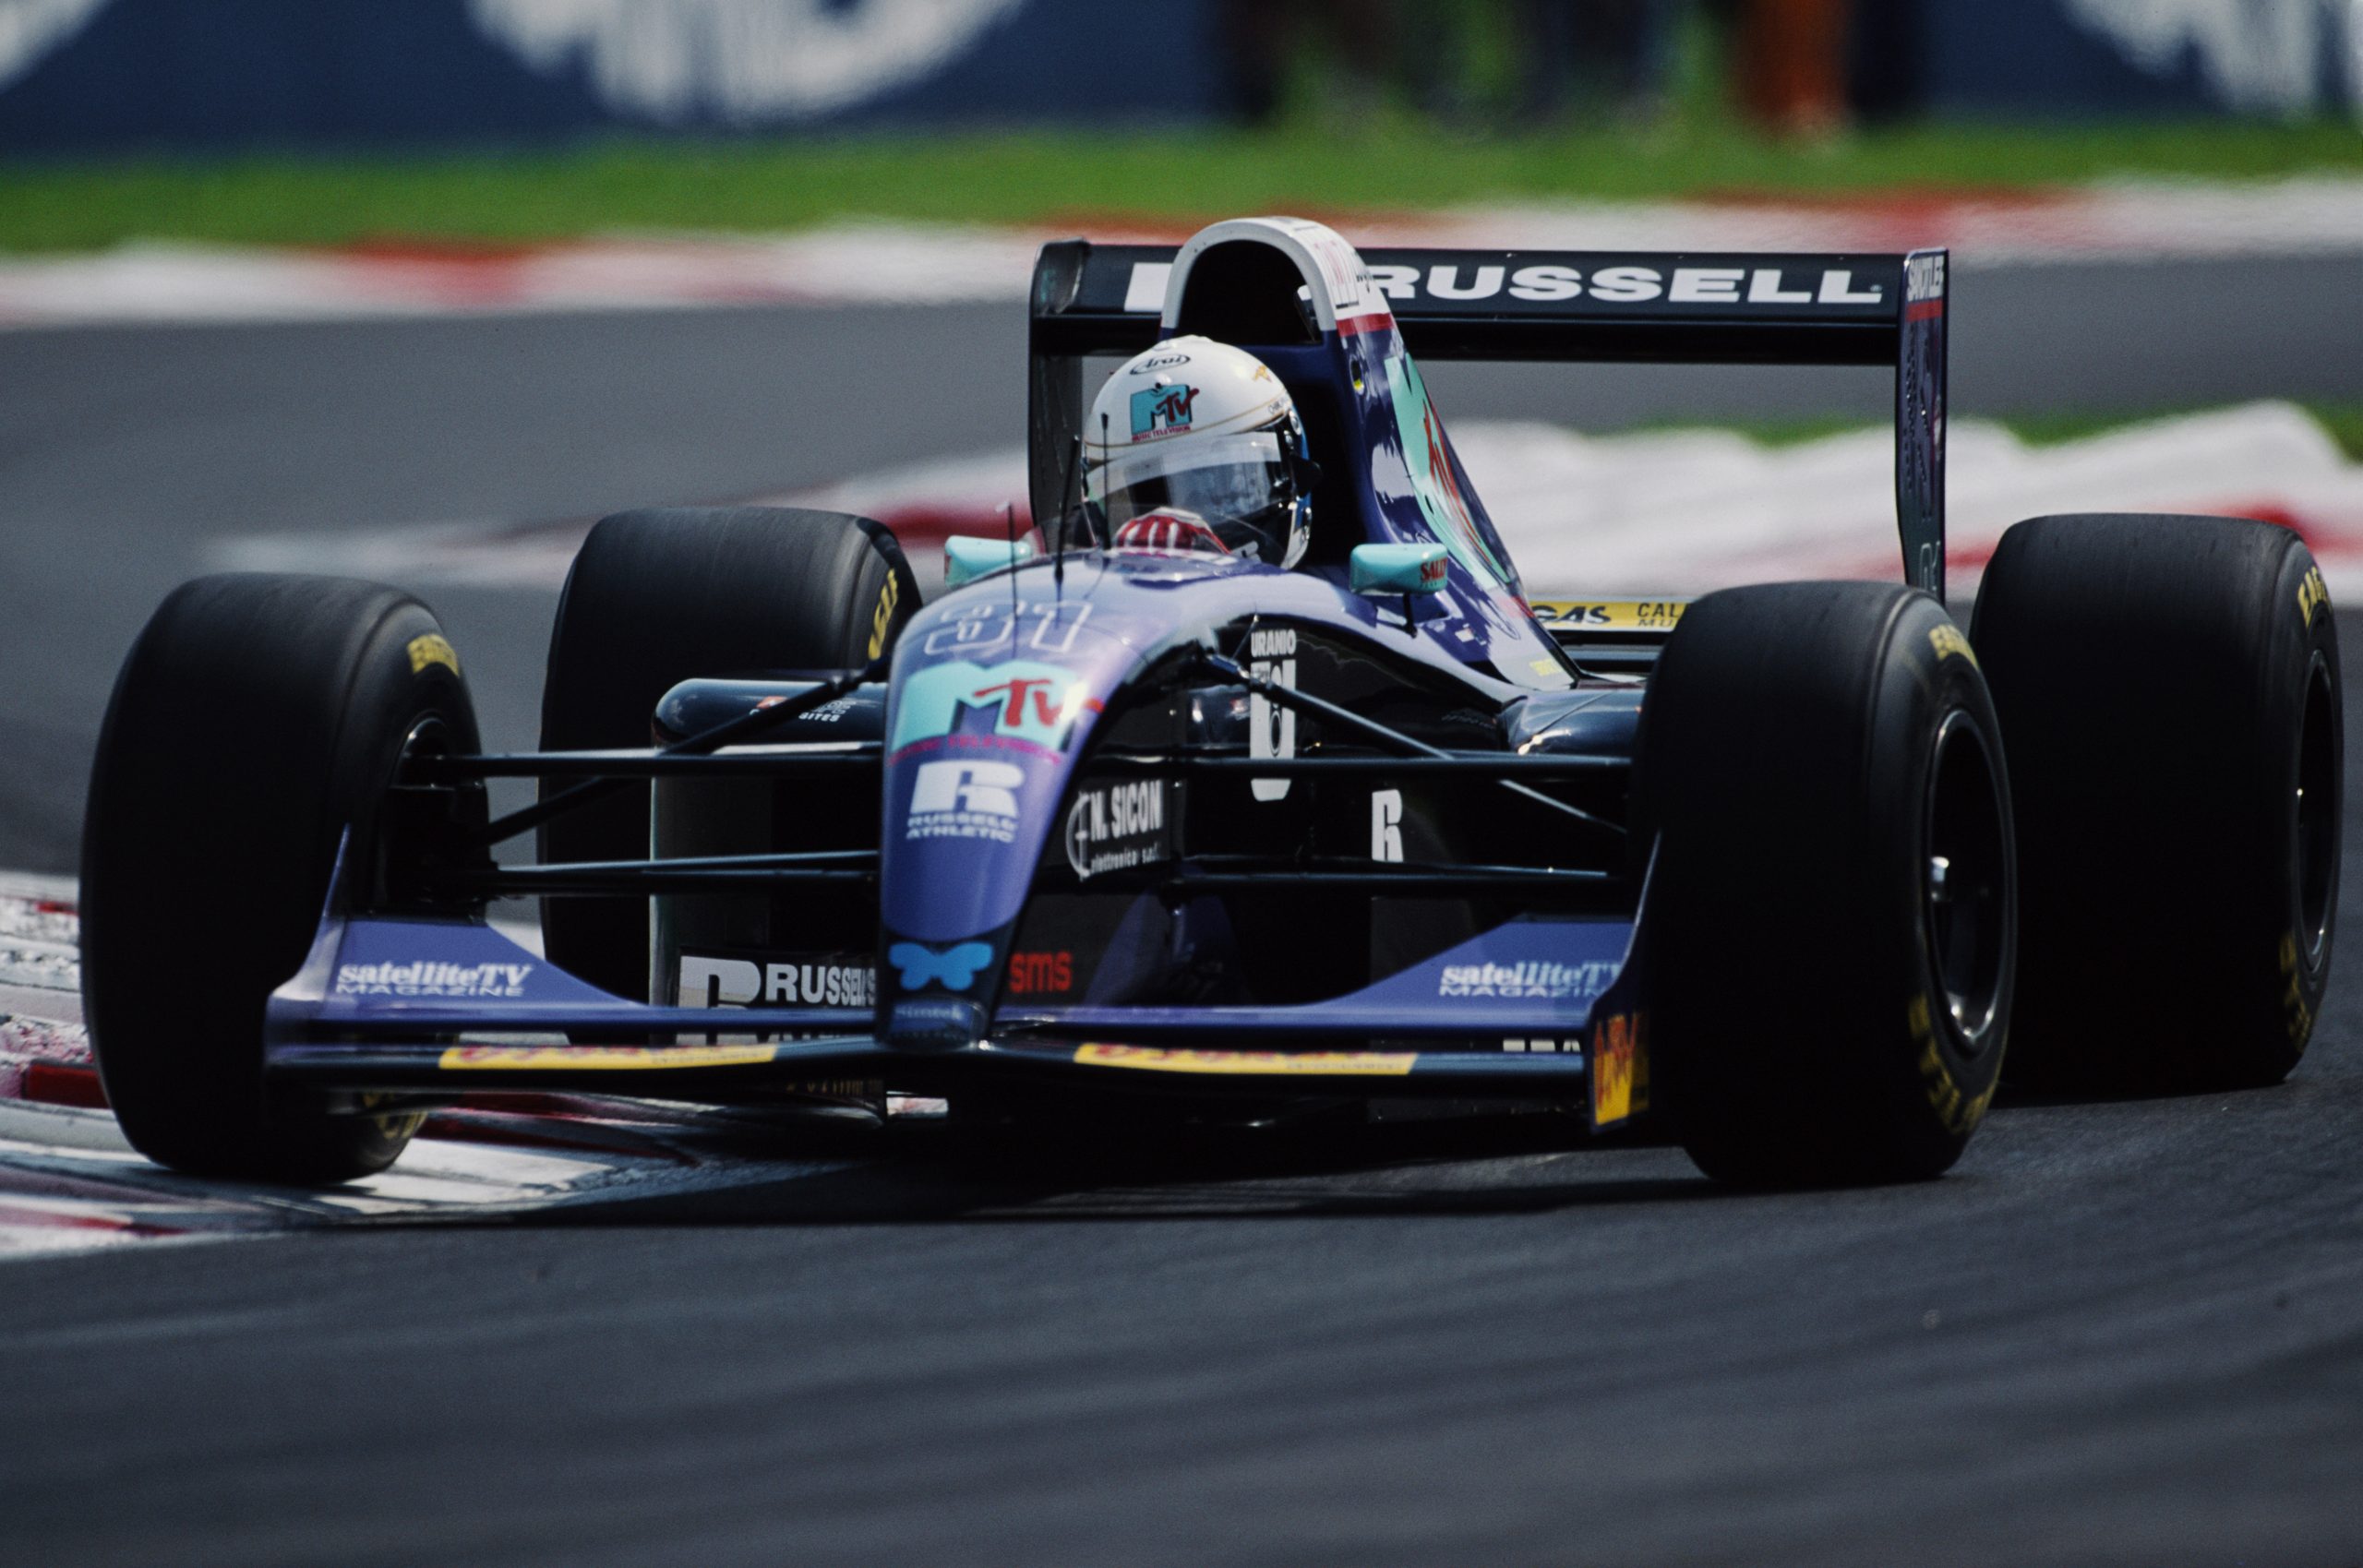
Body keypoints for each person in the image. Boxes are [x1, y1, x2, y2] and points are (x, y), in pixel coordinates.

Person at [1082, 335, 1321, 568]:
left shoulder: (1337, 603)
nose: (1180, 536)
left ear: (1293, 474)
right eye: (1143, 505)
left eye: (1223, 496)